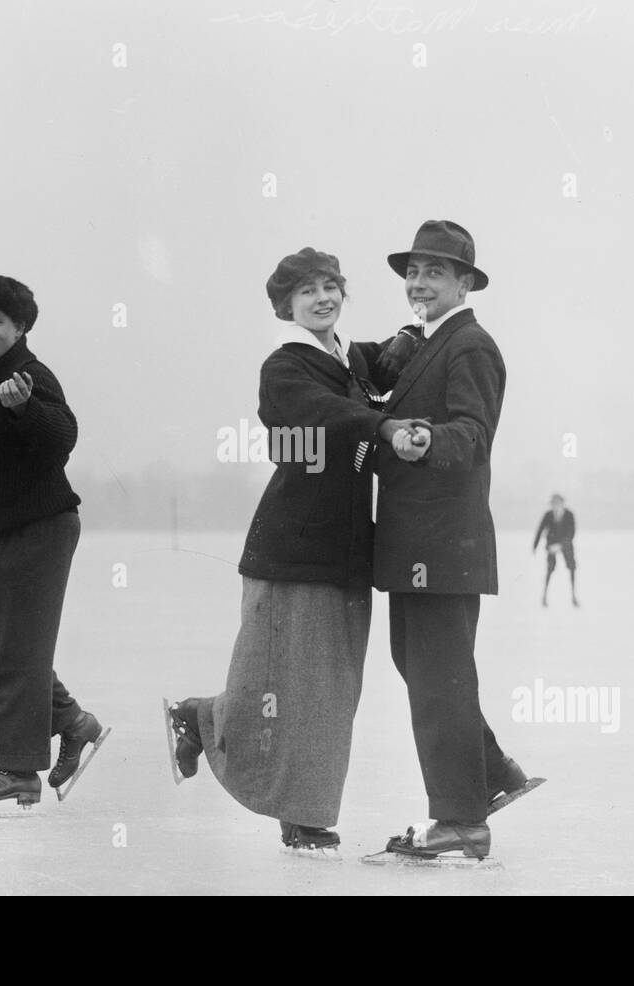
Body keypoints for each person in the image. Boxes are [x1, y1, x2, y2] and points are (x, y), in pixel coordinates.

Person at [166, 248, 423, 851]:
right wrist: (379, 423)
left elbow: (382, 366)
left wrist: (411, 340)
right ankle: (299, 813)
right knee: (290, 684)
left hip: (346, 548)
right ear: (286, 307)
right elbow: (319, 413)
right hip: (293, 544)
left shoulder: (350, 358)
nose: (323, 298)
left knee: (330, 687)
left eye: (331, 286)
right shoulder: (285, 368)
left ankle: (205, 719)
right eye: (307, 292)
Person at [370, 220, 533, 861]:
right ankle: (492, 775)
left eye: (434, 273)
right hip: (420, 544)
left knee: (437, 677)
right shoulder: (426, 341)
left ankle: (461, 818)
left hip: (443, 545)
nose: (418, 283)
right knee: (422, 668)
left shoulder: (470, 346)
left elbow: (473, 434)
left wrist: (427, 438)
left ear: (464, 283)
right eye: (412, 272)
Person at [0, 275, 106, 808]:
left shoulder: (30, 375)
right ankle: (73, 723)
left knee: (15, 653)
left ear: (21, 327)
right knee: (7, 648)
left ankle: (19, 772)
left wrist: (24, 408)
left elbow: (64, 437)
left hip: (39, 528)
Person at [533, 493, 578, 607]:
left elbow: (571, 532)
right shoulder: (548, 515)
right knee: (550, 569)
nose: (555, 506)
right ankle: (544, 596)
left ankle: (573, 596)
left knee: (572, 567)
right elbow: (540, 529)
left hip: (566, 544)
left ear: (562, 503)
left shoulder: (569, 515)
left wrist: (561, 545)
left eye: (557, 503)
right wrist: (535, 545)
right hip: (551, 544)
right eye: (553, 503)